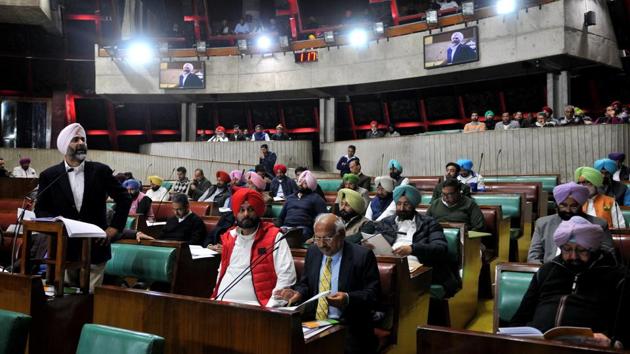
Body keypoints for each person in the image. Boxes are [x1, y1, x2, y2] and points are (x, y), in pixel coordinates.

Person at [35, 123, 131, 292]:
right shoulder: (50, 175)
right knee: (65, 299)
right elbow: (40, 210)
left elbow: (124, 199)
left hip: (95, 247)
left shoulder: (100, 171)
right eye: (75, 139)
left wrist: (114, 228)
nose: (81, 143)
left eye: (83, 139)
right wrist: (57, 224)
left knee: (89, 300)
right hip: (64, 249)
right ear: (65, 146)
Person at [511, 216, 629, 348]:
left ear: (594, 248)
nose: (573, 256)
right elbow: (520, 317)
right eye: (567, 249)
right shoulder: (546, 271)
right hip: (538, 346)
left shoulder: (617, 277)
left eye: (581, 250)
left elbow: (624, 330)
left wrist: (613, 342)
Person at [274, 214, 380, 354]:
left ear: (341, 235)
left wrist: (348, 298)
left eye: (327, 238)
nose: (322, 244)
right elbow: (306, 284)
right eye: (317, 238)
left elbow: (373, 295)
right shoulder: (313, 251)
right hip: (314, 323)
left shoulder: (362, 256)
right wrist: (298, 293)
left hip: (349, 326)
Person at [211, 189, 296, 306]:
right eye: (241, 210)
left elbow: (286, 275)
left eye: (250, 209)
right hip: (222, 302)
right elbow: (222, 271)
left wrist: (271, 306)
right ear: (235, 213)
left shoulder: (275, 237)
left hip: (257, 307)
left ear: (258, 211)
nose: (246, 214)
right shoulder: (229, 237)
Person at [375, 185, 461, 297]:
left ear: (414, 205)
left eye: (406, 204)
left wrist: (412, 249)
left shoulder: (429, 223)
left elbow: (440, 248)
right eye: (399, 204)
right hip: (389, 262)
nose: (401, 208)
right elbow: (376, 239)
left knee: (392, 279)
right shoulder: (386, 222)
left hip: (419, 264)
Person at [527, 182, 612, 264]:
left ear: (581, 205)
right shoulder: (543, 224)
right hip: (551, 272)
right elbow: (533, 257)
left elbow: (608, 256)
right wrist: (544, 273)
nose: (568, 210)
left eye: (573, 206)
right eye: (563, 205)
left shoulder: (599, 224)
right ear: (556, 205)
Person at [134, 193, 206, 245]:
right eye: (174, 209)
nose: (176, 213)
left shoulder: (196, 221)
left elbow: (195, 242)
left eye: (179, 210)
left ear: (187, 206)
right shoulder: (171, 220)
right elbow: (161, 237)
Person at [277, 170, 328, 240]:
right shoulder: (290, 198)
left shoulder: (316, 198)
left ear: (310, 185)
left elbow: (323, 219)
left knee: (292, 237)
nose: (300, 184)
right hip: (285, 228)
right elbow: (281, 217)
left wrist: (315, 236)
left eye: (305, 183)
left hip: (303, 230)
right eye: (300, 182)